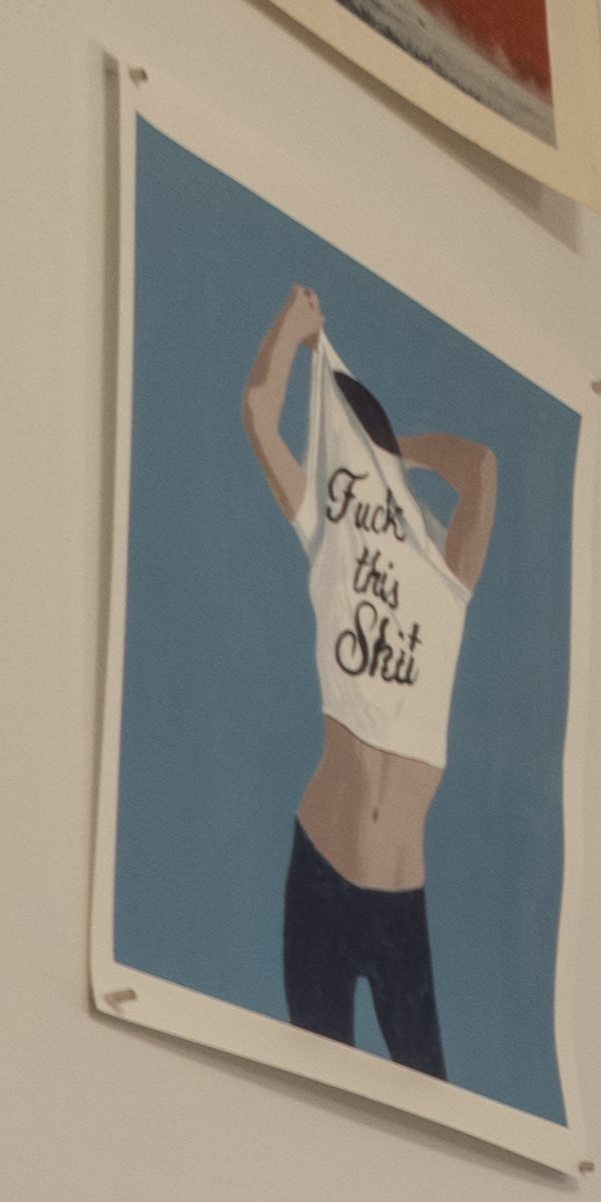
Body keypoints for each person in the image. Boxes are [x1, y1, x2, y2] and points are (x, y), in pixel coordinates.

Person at [242, 280, 498, 1075]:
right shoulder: (334, 533)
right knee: (315, 1097)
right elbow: (259, 415)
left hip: (399, 901)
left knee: (430, 1098)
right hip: (318, 874)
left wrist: (394, 451)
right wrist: (290, 332)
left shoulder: (450, 574)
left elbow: (482, 467)